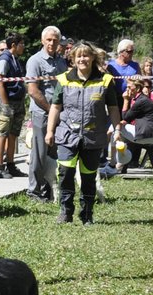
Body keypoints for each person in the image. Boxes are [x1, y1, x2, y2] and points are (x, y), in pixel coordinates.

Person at [45, 41, 123, 223]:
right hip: (67, 135)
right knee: (65, 173)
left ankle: (87, 213)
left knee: (88, 177)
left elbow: (113, 108)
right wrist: (50, 131)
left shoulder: (105, 80)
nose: (82, 59)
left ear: (93, 57)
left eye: (86, 55)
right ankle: (66, 211)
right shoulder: (64, 79)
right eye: (78, 56)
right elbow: (55, 107)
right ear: (72, 59)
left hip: (93, 136)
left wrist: (117, 128)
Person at [24, 26, 67, 203]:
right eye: (48, 40)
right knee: (39, 153)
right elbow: (33, 90)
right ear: (42, 41)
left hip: (59, 114)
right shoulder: (35, 61)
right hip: (42, 113)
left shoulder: (61, 62)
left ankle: (49, 190)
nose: (52, 43)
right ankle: (34, 191)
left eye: (55, 40)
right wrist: (51, 110)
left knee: (55, 154)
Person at [0, 33, 28, 179]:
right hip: (7, 103)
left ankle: (11, 165)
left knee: (13, 134)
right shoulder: (4, 60)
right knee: (2, 133)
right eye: (21, 44)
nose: (23, 47)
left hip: (18, 102)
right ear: (14, 45)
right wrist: (5, 103)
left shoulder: (15, 59)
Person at [115, 74, 153, 174]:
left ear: (137, 88)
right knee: (117, 129)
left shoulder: (141, 101)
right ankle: (121, 161)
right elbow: (128, 118)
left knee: (116, 128)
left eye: (129, 87)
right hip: (151, 135)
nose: (127, 89)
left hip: (147, 136)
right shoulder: (143, 100)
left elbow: (125, 117)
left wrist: (125, 100)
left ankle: (116, 163)